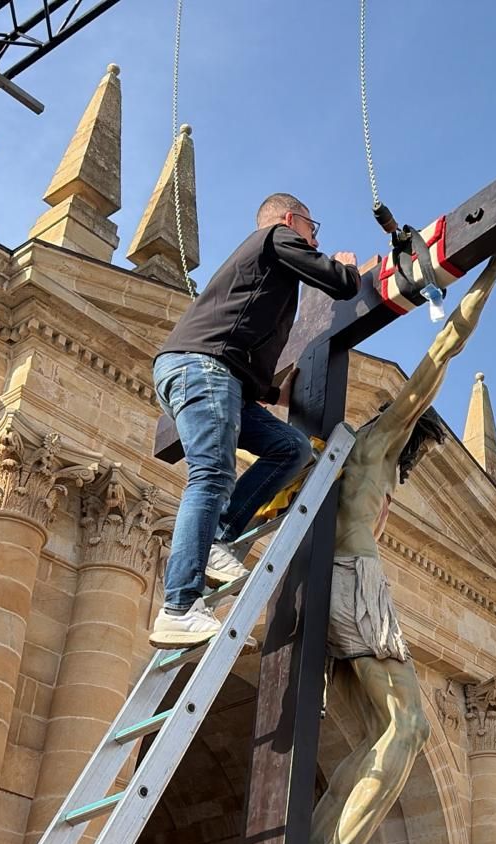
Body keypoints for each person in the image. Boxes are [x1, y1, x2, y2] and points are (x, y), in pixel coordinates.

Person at [307, 243, 496, 844]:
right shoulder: (379, 442)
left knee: (376, 730)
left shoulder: (349, 460)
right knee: (408, 726)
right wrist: (495, 266)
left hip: (330, 579)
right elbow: (444, 350)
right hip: (358, 584)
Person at [151, 193, 359, 650]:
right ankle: (178, 607)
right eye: (313, 228)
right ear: (291, 219)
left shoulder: (265, 270)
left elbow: (238, 332)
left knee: (292, 448)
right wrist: (345, 267)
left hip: (217, 375)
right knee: (211, 473)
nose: (314, 238)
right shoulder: (276, 237)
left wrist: (270, 390)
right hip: (203, 370)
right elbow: (339, 283)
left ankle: (220, 539)